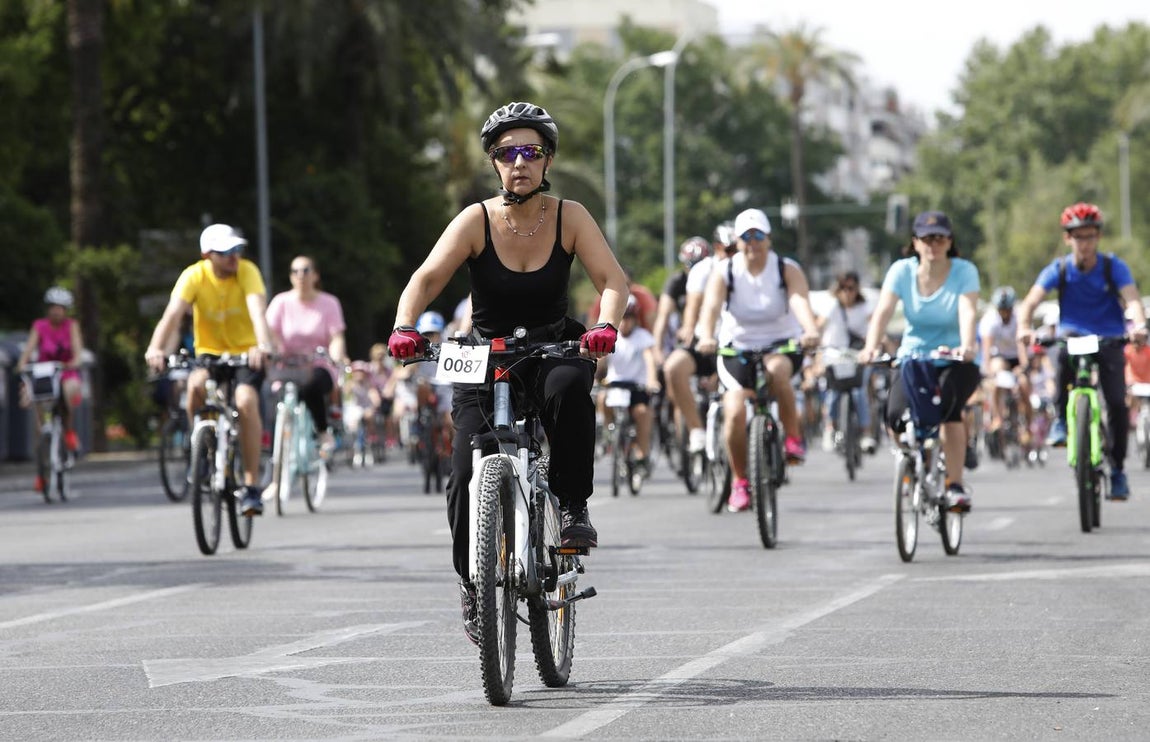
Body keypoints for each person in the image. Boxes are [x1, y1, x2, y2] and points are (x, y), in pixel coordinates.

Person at [386, 101, 628, 643]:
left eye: (531, 152)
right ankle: (475, 585)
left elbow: (614, 281)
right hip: (484, 355)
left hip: (551, 346)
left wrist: (605, 325)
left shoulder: (569, 216)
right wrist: (404, 325)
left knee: (571, 385)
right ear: (494, 162)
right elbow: (426, 278)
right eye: (507, 153)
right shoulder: (476, 220)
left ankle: (571, 508)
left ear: (547, 161)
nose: (519, 162)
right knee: (466, 473)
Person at [1016, 202, 1148, 500]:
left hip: (1110, 336)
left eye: (1089, 236)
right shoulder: (1059, 269)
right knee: (1062, 359)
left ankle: (1117, 470)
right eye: (1078, 237)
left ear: (1098, 237)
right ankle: (1062, 420)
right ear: (1067, 239)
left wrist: (1138, 325)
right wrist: (1024, 326)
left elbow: (1133, 300)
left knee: (1116, 402)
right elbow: (1030, 302)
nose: (1084, 243)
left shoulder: (1114, 266)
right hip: (1073, 333)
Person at [144, 223, 275, 517]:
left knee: (245, 401)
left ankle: (252, 486)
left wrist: (263, 345)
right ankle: (201, 452)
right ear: (207, 255)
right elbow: (172, 315)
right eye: (225, 252)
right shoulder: (193, 276)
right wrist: (155, 348)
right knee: (194, 386)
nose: (233, 257)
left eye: (237, 250)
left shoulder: (247, 271)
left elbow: (258, 311)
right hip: (210, 354)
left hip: (247, 353)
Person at [695, 208, 821, 512]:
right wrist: (705, 336)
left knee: (778, 372)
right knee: (735, 410)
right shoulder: (725, 271)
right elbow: (710, 308)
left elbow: (799, 300)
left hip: (781, 344)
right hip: (736, 348)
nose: (753, 243)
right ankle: (740, 482)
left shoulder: (785, 268)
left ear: (769, 238)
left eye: (758, 236)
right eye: (746, 237)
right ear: (737, 241)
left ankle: (792, 438)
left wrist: (810, 330)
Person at [860, 210, 981, 512]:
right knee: (894, 415)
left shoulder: (964, 271)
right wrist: (870, 347)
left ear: (949, 241)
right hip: (913, 357)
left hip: (951, 358)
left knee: (950, 413)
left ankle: (954, 484)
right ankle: (910, 462)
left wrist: (967, 345)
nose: (933, 245)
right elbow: (883, 313)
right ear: (914, 243)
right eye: (926, 239)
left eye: (939, 238)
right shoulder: (901, 272)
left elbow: (967, 310)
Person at [661, 222, 736, 456]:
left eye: (737, 249)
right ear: (717, 248)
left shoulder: (751, 269)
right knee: (673, 367)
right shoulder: (703, 270)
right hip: (707, 342)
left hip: (736, 345)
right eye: (728, 249)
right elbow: (692, 308)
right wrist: (689, 328)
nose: (733, 255)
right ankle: (696, 429)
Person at [266, 255, 349, 456]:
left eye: (305, 270)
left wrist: (336, 357)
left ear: (315, 275)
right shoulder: (281, 302)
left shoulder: (329, 303)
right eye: (295, 271)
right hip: (287, 365)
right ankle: (269, 443)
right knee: (266, 391)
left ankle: (322, 431)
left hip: (317, 363)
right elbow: (269, 332)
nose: (300, 276)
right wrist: (272, 349)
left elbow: (336, 337)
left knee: (312, 384)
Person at [16, 287, 86, 489]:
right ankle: (42, 474)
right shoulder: (39, 326)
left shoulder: (72, 326)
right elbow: (28, 350)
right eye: (53, 307)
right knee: (40, 427)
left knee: (68, 388)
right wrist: (22, 365)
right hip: (43, 374)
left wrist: (72, 363)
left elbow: (78, 353)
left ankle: (69, 430)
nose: (56, 311)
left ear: (65, 310)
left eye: (60, 308)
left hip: (65, 371)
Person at [597, 297, 660, 476]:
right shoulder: (610, 335)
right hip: (615, 385)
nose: (624, 322)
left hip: (637, 386)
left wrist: (652, 380)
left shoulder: (643, 337)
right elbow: (601, 361)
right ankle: (610, 434)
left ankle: (642, 453)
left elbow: (649, 359)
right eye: (622, 318)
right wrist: (595, 376)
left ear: (635, 319)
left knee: (642, 413)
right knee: (602, 399)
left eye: (629, 318)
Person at [816, 270, 876, 454]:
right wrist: (815, 355)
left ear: (857, 289)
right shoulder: (831, 306)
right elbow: (818, 328)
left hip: (858, 355)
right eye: (842, 288)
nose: (847, 293)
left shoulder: (865, 307)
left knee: (859, 393)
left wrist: (878, 346)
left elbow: (875, 326)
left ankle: (866, 433)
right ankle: (830, 428)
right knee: (833, 393)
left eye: (851, 288)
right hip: (834, 355)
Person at [978, 286, 1031, 450]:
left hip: (1015, 356)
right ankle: (997, 417)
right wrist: (988, 370)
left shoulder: (1018, 318)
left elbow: (1021, 345)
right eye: (1002, 310)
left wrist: (1023, 366)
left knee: (1023, 385)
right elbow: (986, 348)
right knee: (996, 381)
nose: (1005, 313)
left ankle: (1028, 426)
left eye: (1007, 309)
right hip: (999, 357)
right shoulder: (990, 321)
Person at [652, 236, 710, 366]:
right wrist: (657, 350)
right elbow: (662, 317)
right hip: (685, 335)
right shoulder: (677, 281)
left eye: (699, 264)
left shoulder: (715, 279)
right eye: (690, 265)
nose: (695, 270)